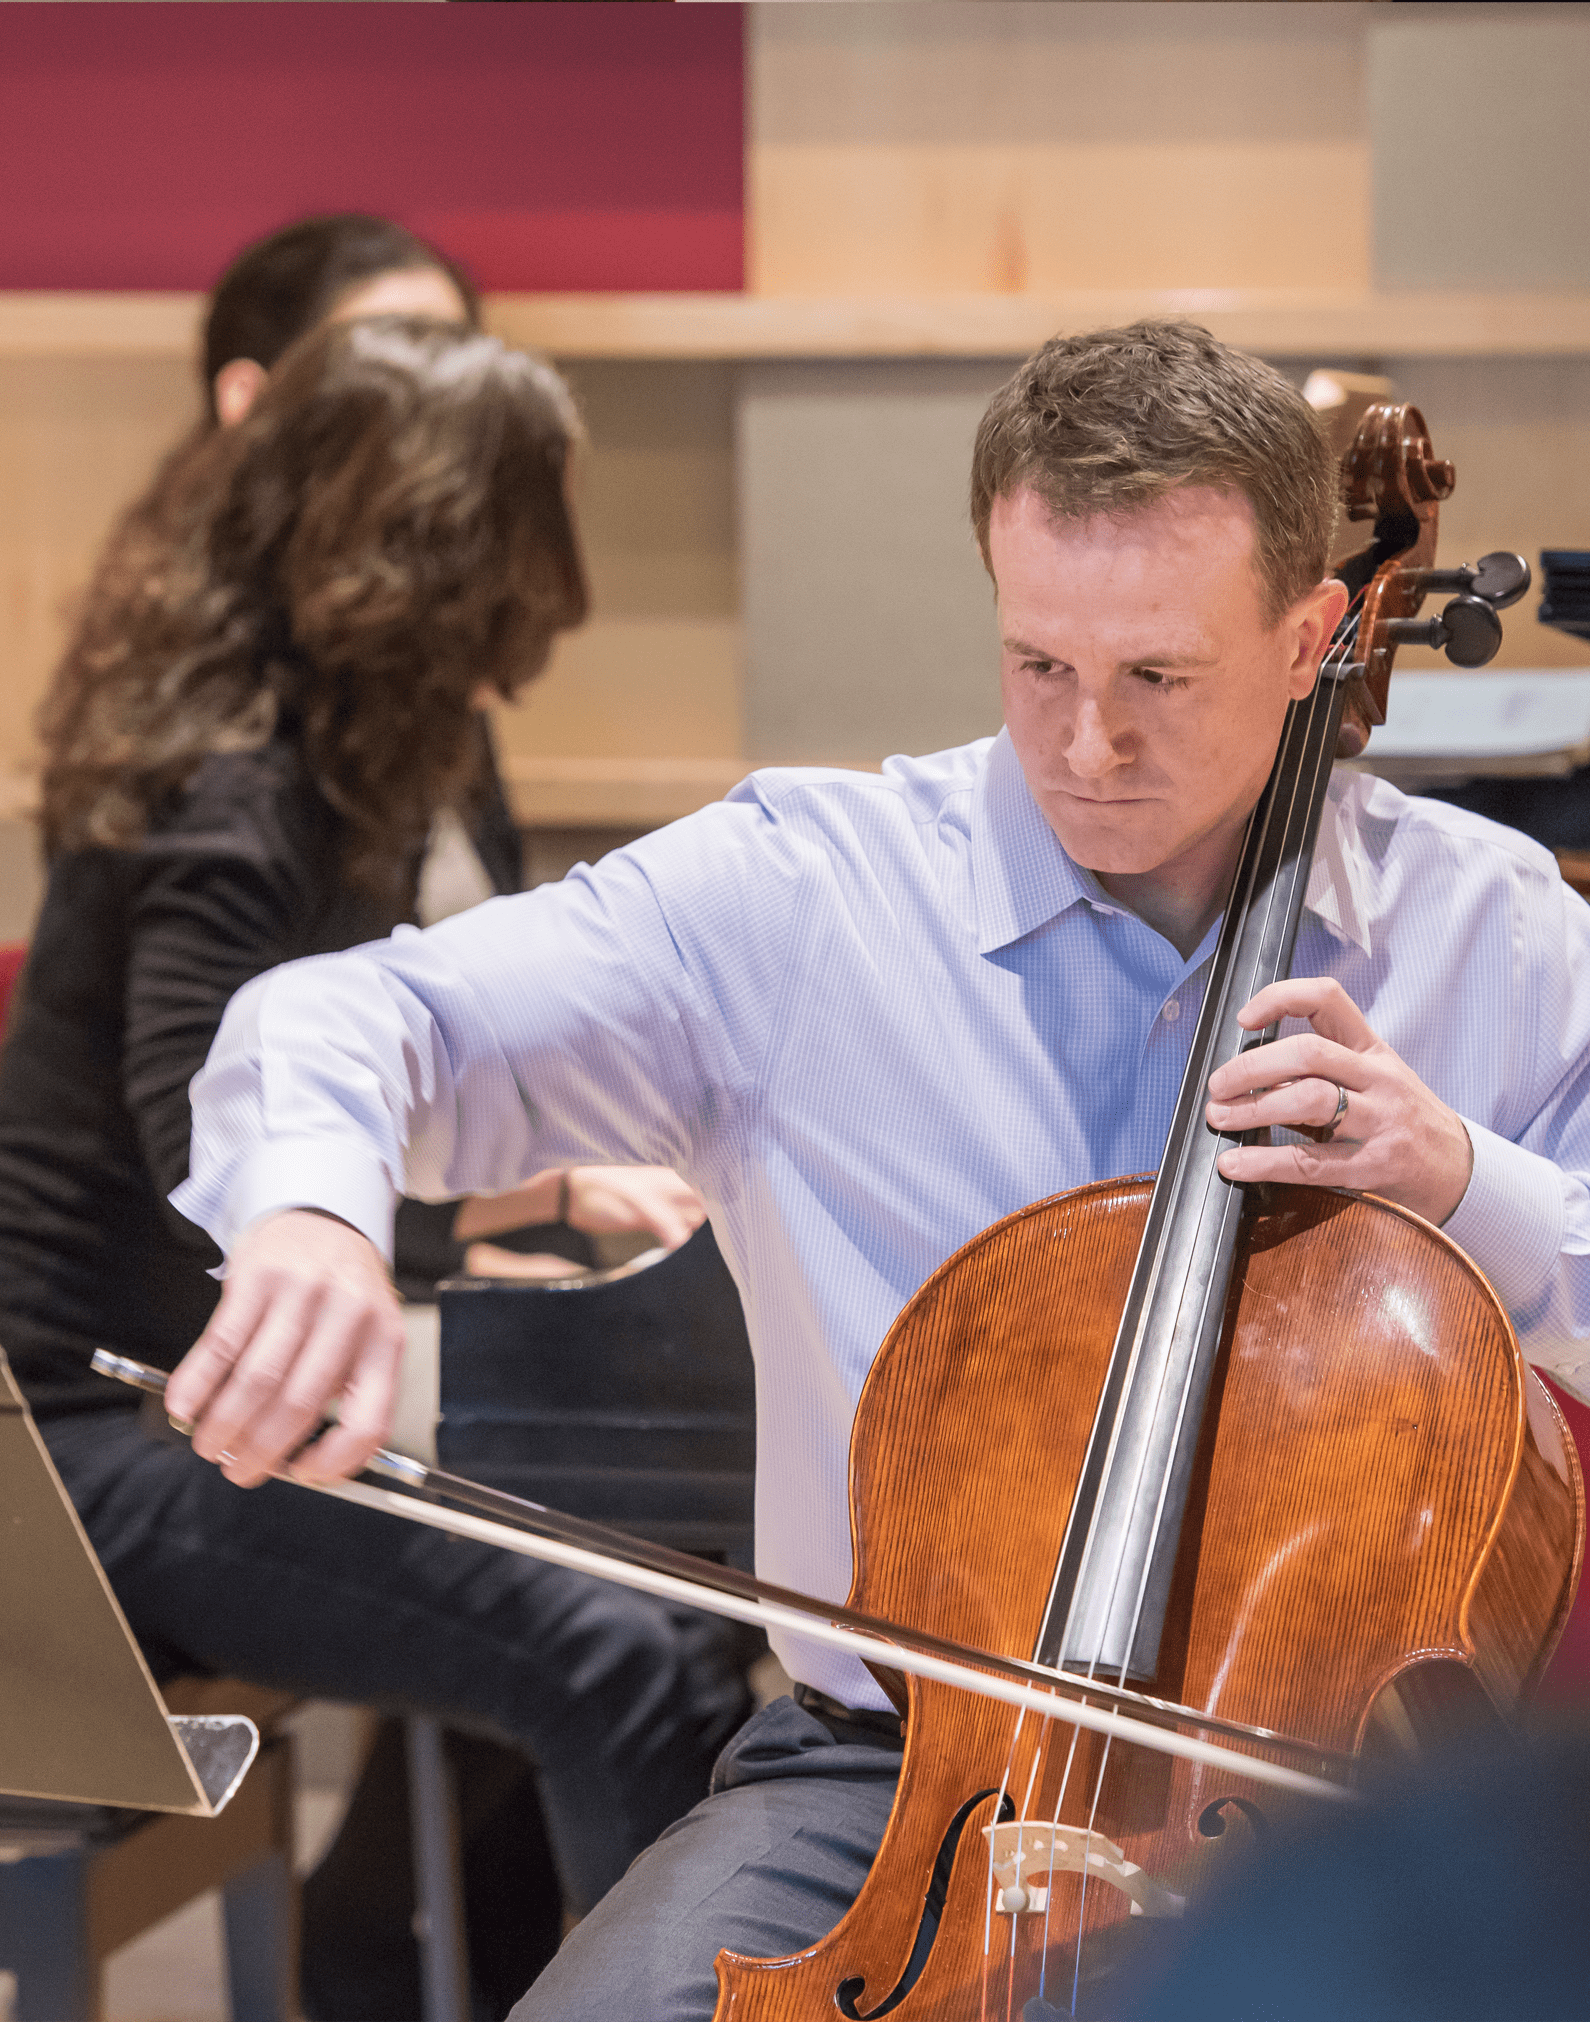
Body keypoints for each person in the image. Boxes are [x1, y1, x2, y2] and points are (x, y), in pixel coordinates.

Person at [167, 320, 1590, 2015]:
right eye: (1036, 664)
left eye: (1157, 677)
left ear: (1309, 638)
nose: (1085, 744)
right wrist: (313, 1209)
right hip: (884, 1780)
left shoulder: (1488, 929)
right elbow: (348, 1015)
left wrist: (1457, 1177)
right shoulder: (806, 898)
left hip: (1331, 1811)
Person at [0, 314, 748, 2018]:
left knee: (661, 1599)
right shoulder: (239, 789)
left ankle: (409, 1972)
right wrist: (515, 1201)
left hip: (161, 1407)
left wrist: (542, 1180)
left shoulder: (323, 747)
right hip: (68, 1454)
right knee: (621, 1648)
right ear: (445, 545)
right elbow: (210, 1135)